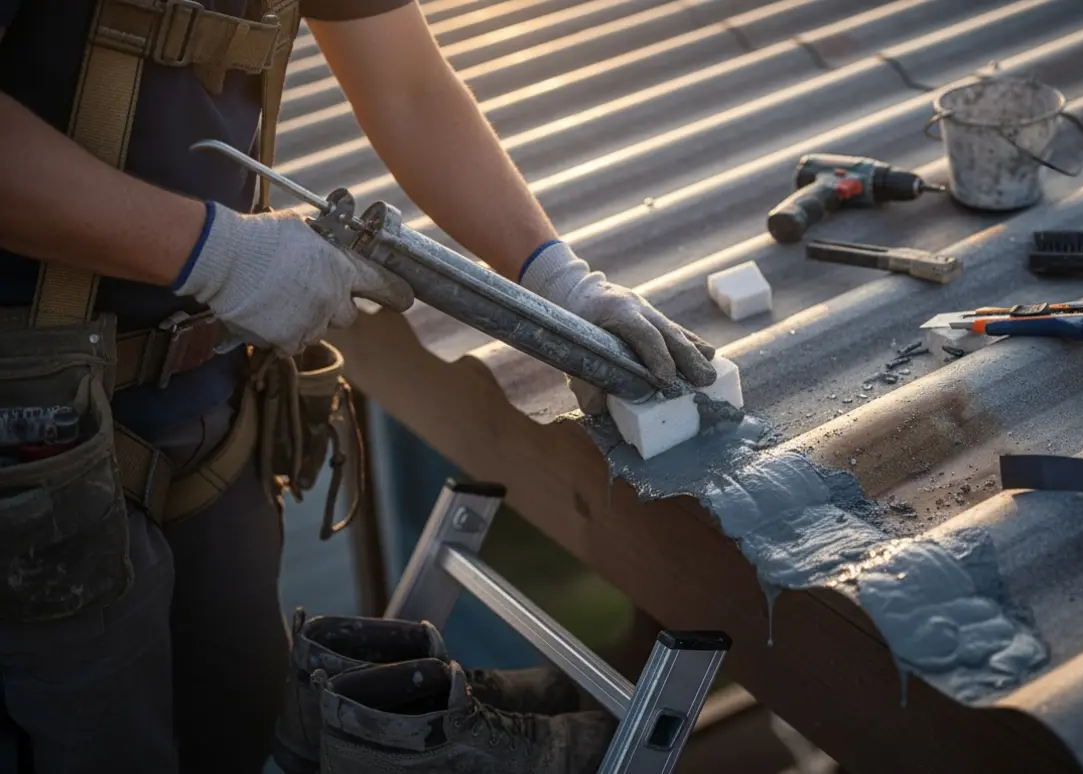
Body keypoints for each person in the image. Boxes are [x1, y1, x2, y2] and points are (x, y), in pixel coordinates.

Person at [0, 1, 717, 772]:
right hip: (33, 443)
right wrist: (209, 252)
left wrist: (557, 282)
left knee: (238, 722)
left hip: (209, 413)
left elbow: (405, 83)